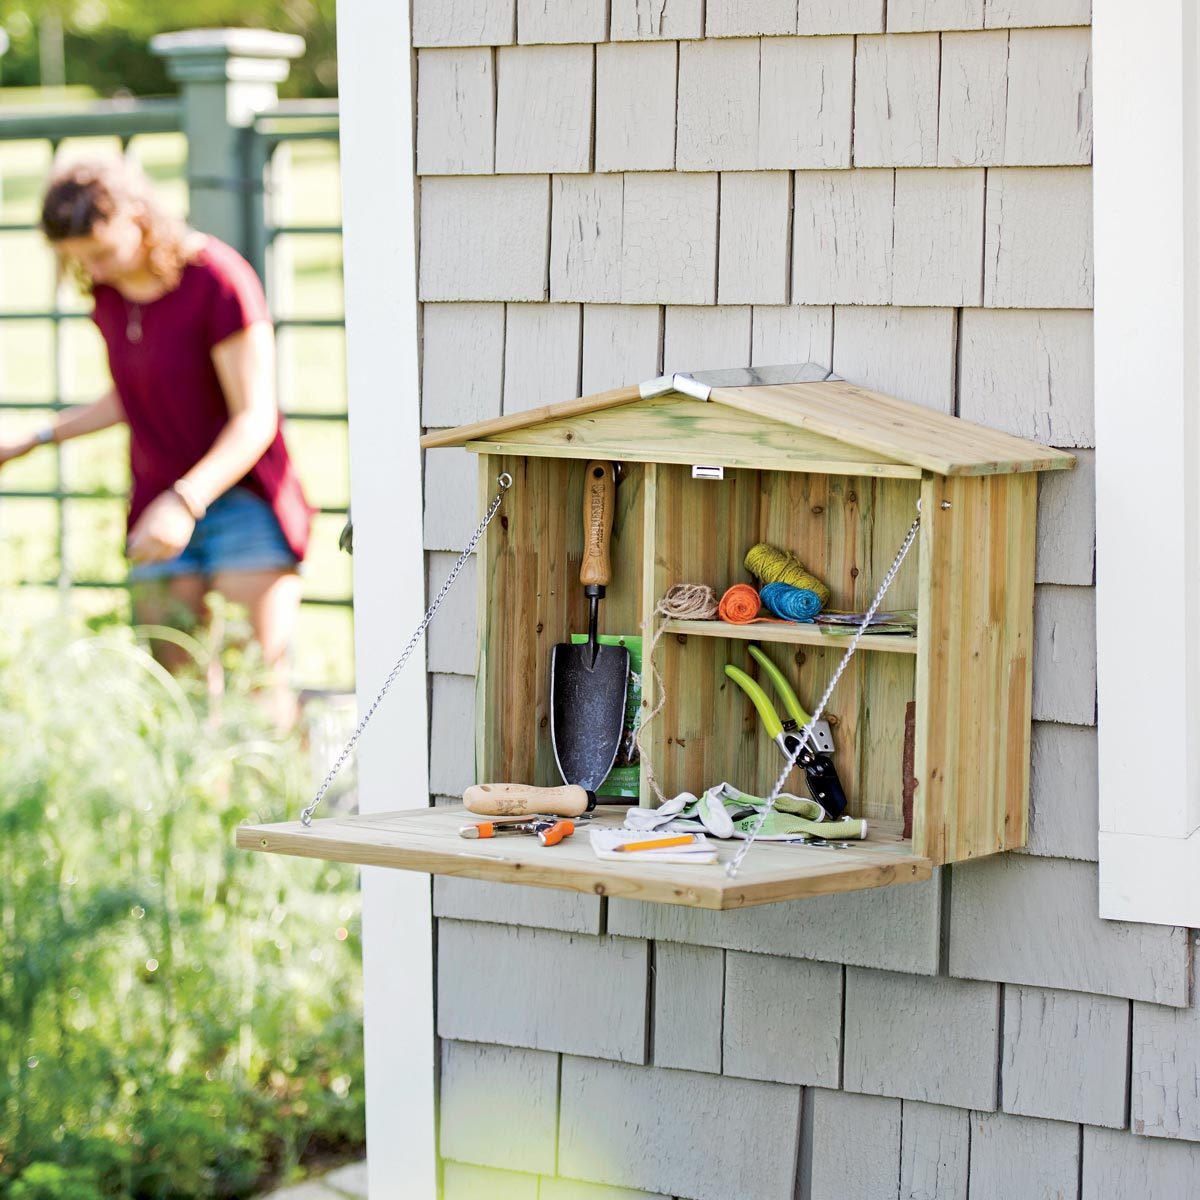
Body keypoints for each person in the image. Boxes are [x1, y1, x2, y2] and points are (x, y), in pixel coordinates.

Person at [0, 157, 313, 717]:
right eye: (76, 261)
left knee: (257, 692)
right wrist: (36, 437)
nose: (91, 271)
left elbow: (255, 416)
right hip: (156, 504)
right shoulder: (110, 292)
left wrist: (185, 499)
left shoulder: (216, 279)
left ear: (139, 217)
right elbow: (135, 391)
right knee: (178, 697)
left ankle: (285, 807)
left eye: (98, 253)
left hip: (243, 503)